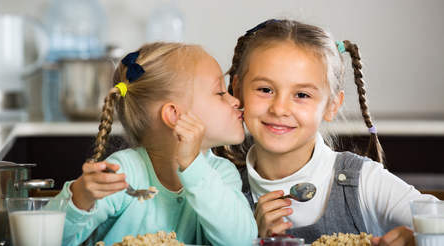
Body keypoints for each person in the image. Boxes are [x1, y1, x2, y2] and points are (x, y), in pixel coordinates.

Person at [217, 19, 439, 245]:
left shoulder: (363, 181)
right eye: (265, 89)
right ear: (238, 90)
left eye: (302, 95)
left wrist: (422, 237)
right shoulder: (220, 193)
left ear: (332, 105)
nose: (279, 109)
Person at [56, 42, 257, 246]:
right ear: (175, 115)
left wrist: (194, 166)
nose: (236, 102)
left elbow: (241, 241)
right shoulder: (124, 174)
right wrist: (79, 198)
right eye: (221, 93)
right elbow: (48, 239)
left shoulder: (221, 174)